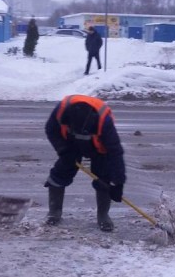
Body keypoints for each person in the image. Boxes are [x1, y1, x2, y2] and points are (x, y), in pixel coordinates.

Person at [44, 94, 126, 232]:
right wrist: (63, 150)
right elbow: (51, 129)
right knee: (60, 173)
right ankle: (54, 212)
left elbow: (115, 152)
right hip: (70, 145)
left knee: (103, 177)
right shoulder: (61, 111)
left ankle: (103, 215)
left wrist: (118, 182)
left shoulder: (104, 122)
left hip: (98, 148)